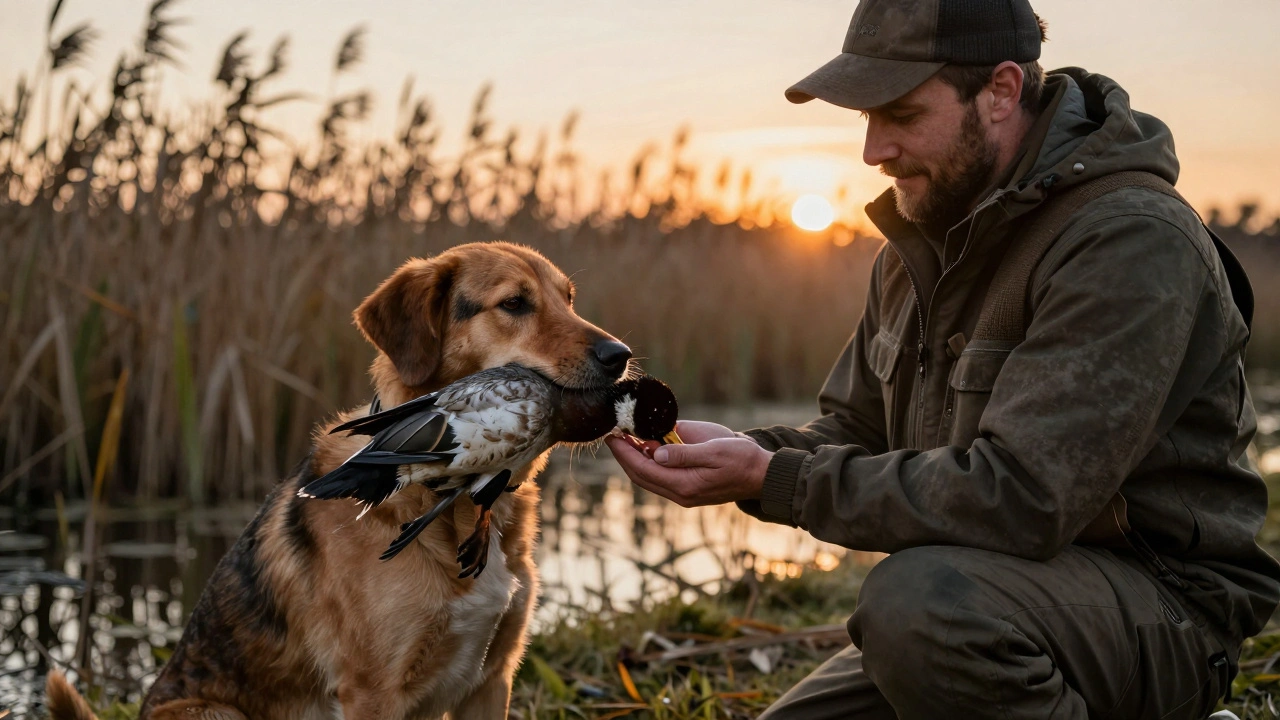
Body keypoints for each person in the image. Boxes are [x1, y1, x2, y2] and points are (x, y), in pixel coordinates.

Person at [604, 0, 1280, 717]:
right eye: (867, 119)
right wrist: (743, 455)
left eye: (901, 114)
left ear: (1001, 91)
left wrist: (776, 478)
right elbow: (856, 430)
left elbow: (1024, 499)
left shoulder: (1128, 240)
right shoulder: (919, 242)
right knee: (910, 622)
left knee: (917, 606)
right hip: (995, 598)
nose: (873, 151)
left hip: (1160, 608)